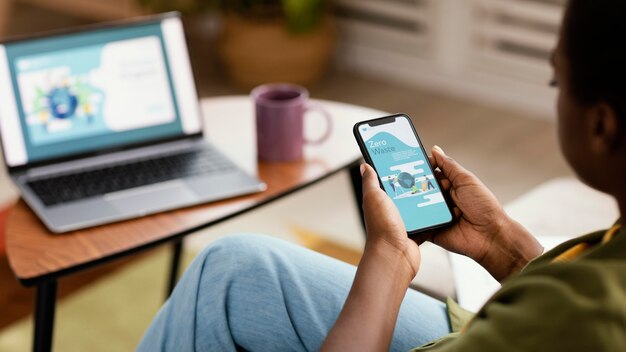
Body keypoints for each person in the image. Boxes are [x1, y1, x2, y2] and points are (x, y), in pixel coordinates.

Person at [138, 0, 626, 350]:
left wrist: (390, 255)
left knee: (224, 276)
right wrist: (500, 244)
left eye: (556, 81)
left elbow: (560, 320)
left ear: (601, 125)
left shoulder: (574, 313)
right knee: (234, 266)